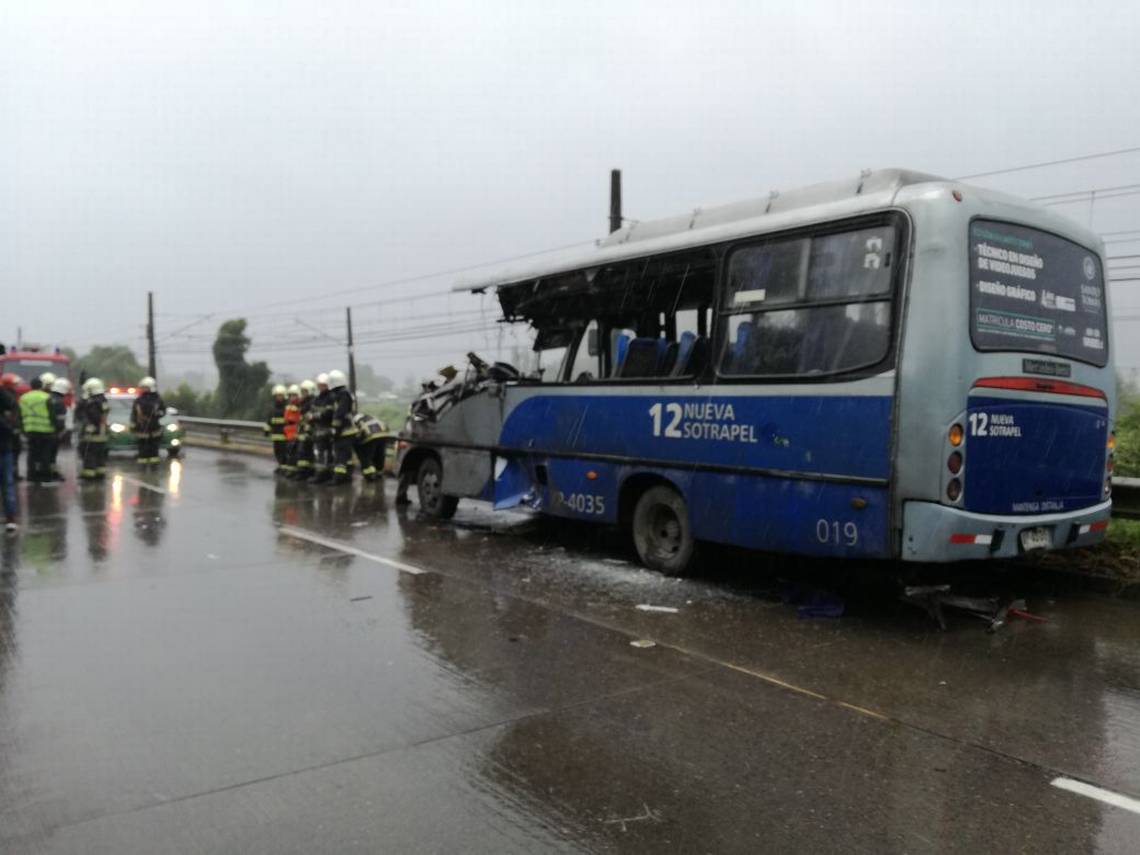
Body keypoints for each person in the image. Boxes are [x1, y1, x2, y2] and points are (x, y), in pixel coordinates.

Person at [18, 377, 55, 483]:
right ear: (41, 386)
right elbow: (52, 414)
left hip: (30, 429)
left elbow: (20, 414)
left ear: (31, 386)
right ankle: (45, 477)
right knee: (45, 454)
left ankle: (31, 476)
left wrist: (22, 428)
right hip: (46, 430)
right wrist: (55, 428)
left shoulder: (23, 398)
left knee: (32, 453)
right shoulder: (47, 397)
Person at [326, 369, 357, 485]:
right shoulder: (344, 393)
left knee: (340, 456)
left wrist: (335, 430)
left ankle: (338, 478)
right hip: (347, 430)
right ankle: (347, 477)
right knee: (346, 457)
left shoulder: (343, 394)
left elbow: (340, 413)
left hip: (344, 431)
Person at [131, 376, 166, 465]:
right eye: (142, 387)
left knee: (154, 447)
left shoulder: (157, 400)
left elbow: (163, 411)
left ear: (151, 387)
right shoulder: (139, 400)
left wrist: (157, 414)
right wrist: (134, 424)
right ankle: (143, 464)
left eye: (145, 387)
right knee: (142, 447)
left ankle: (154, 465)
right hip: (142, 428)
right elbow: (134, 414)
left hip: (154, 428)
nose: (143, 389)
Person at [0, 373, 20, 530]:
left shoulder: (6, 397)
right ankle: (10, 518)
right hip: (5, 447)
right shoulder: (8, 397)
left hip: (4, 448)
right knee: (7, 484)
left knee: (7, 483)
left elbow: (13, 416)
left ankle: (10, 518)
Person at [79, 378, 110, 480]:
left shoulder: (93, 402)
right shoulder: (103, 400)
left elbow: (93, 416)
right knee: (99, 454)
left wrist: (89, 425)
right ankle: (100, 473)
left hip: (92, 433)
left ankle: (89, 475)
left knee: (88, 453)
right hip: (102, 433)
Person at [288, 380, 317, 480]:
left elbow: (312, 417)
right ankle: (303, 471)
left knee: (305, 452)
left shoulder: (312, 402)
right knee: (301, 452)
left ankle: (305, 472)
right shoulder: (303, 403)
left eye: (305, 392)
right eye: (302, 391)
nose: (303, 394)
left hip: (310, 431)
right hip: (302, 431)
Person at [311, 374, 334, 484]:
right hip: (318, 429)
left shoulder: (330, 397)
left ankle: (327, 474)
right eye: (320, 385)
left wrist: (316, 416)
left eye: (324, 385)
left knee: (329, 453)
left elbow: (329, 413)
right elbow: (312, 411)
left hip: (328, 429)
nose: (321, 387)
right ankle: (320, 474)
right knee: (320, 453)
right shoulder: (317, 399)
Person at [47, 377, 71, 481]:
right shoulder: (59, 402)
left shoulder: (47, 398)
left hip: (43, 431)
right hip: (54, 433)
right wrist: (61, 431)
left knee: (44, 453)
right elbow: (60, 421)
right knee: (52, 454)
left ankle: (45, 472)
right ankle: (52, 474)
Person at [351, 412, 387, 481]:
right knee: (380, 454)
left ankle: (370, 475)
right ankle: (379, 472)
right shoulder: (367, 416)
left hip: (371, 436)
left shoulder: (354, 419)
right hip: (383, 434)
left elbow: (355, 432)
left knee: (366, 456)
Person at [264, 384, 288, 473]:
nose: (279, 397)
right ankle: (280, 466)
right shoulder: (272, 409)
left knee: (284, 452)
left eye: (281, 395)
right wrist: (266, 430)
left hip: (284, 435)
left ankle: (284, 467)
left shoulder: (287, 408)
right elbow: (269, 421)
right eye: (277, 395)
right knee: (277, 451)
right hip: (275, 435)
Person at [282, 384, 302, 476]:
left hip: (295, 432)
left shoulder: (300, 405)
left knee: (295, 452)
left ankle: (294, 471)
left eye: (294, 395)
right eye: (290, 395)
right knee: (289, 452)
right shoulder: (288, 406)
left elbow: (298, 419)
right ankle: (290, 470)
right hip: (288, 433)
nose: (292, 397)